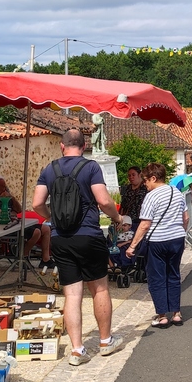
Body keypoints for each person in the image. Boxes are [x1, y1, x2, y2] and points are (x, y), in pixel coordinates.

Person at [32, 129, 127, 367]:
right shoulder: (91, 167)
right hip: (88, 235)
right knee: (100, 289)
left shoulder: (49, 169)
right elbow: (104, 200)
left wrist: (53, 218)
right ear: (84, 146)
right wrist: (117, 218)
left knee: (72, 294)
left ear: (62, 146)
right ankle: (105, 341)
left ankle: (77, 350)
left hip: (60, 238)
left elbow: (36, 203)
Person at [126, 162, 189, 328]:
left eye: (146, 180)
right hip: (177, 239)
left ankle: (162, 315)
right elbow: (186, 218)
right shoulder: (176, 192)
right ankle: (176, 313)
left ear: (154, 178)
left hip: (158, 241)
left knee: (156, 278)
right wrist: (179, 232)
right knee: (173, 275)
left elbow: (145, 224)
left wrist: (132, 246)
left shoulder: (151, 196)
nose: (145, 183)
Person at [0, 174, 51, 261]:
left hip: (14, 223)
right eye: (2, 186)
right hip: (4, 227)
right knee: (36, 232)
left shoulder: (6, 195)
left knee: (46, 229)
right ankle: (23, 256)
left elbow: (19, 210)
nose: (5, 188)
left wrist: (12, 198)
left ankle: (46, 259)